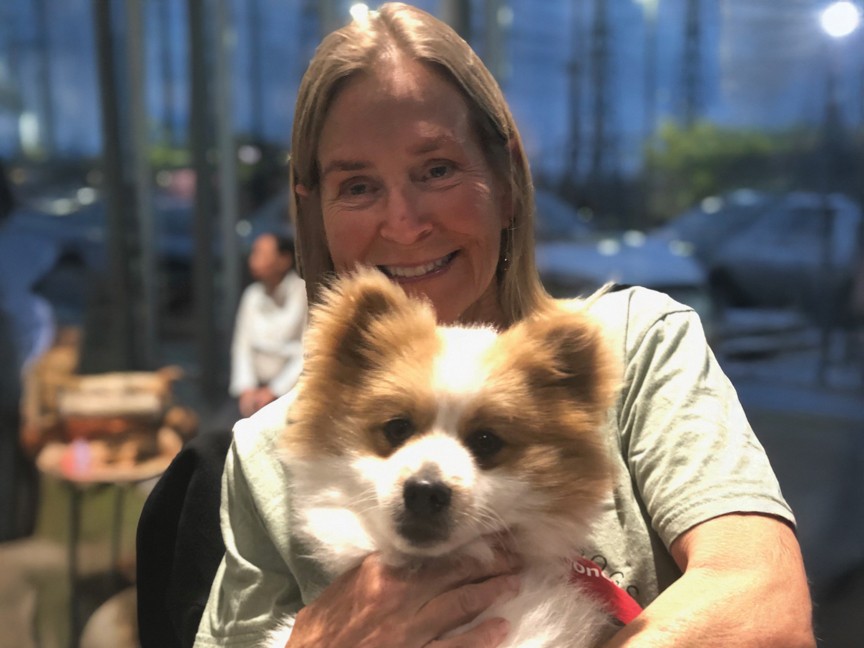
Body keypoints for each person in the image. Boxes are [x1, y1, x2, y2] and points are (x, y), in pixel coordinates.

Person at [192, 4, 815, 647]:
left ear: (507, 180)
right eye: (357, 186)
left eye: (436, 170)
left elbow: (765, 607)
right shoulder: (265, 450)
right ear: (312, 205)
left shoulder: (632, 343)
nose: (403, 223)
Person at [228, 231, 307, 419]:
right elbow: (242, 346)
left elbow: (309, 350)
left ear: (284, 260)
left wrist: (275, 390)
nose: (253, 260)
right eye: (254, 253)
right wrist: (246, 389)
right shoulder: (252, 295)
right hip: (255, 390)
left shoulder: (302, 292)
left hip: (293, 391)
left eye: (262, 254)